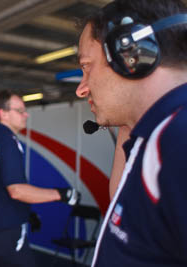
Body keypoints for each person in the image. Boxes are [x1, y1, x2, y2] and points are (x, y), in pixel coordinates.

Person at [76, 0, 187, 266]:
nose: (81, 88)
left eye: (87, 67)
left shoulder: (178, 139)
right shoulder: (155, 138)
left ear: (130, 53)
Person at [0, 90, 80, 267]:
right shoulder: (7, 141)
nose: (26, 114)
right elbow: (16, 190)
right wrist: (63, 194)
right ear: (3, 114)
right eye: (20, 110)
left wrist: (26, 212)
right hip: (6, 232)